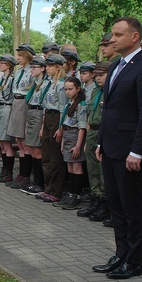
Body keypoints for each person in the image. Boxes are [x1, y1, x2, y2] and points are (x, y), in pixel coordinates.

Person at [92, 17, 142, 280]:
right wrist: (100, 141)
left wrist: (137, 151)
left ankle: (134, 262)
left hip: (130, 150)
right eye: (112, 34)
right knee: (116, 204)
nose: (113, 39)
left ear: (134, 37)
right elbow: (110, 110)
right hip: (110, 146)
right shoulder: (115, 67)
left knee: (133, 208)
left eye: (118, 35)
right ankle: (121, 253)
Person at [79, 61, 112, 224]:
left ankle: (106, 204)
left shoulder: (111, 91)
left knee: (102, 169)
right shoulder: (95, 92)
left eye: (102, 75)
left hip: (103, 131)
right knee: (92, 168)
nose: (98, 79)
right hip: (92, 130)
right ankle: (96, 199)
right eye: (97, 75)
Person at [38, 54, 67, 203]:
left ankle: (56, 190)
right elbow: (44, 106)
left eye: (50, 66)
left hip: (56, 118)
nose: (47, 68)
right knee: (46, 156)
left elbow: (63, 108)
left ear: (58, 67)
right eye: (47, 65)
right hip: (48, 117)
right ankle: (47, 187)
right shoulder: (49, 83)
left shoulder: (62, 85)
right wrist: (43, 126)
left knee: (55, 158)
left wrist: (61, 127)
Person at [6, 44, 35, 190]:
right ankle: (21, 175)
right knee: (18, 139)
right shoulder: (19, 71)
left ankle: (25, 175)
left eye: (20, 56)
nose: (17, 58)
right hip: (16, 102)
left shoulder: (32, 71)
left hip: (24, 102)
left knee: (25, 142)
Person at [55, 76, 87, 210]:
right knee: (69, 166)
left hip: (75, 136)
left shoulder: (81, 105)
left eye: (70, 89)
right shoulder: (69, 104)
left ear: (78, 89)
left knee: (76, 166)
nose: (67, 92)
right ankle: (70, 193)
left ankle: (76, 195)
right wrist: (63, 140)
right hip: (67, 134)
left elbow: (82, 127)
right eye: (66, 89)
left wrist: (78, 146)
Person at [20, 57, 49, 196]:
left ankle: (39, 183)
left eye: (34, 68)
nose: (32, 70)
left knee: (37, 150)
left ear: (42, 68)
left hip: (38, 113)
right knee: (31, 148)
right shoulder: (36, 83)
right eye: (31, 67)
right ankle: (34, 181)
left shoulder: (46, 84)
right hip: (31, 113)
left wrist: (43, 125)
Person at [0, 54, 17, 182]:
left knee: (7, 142)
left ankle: (8, 172)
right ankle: (4, 170)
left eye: (2, 63)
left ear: (8, 65)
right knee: (1, 142)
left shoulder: (12, 79)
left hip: (7, 107)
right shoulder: (1, 77)